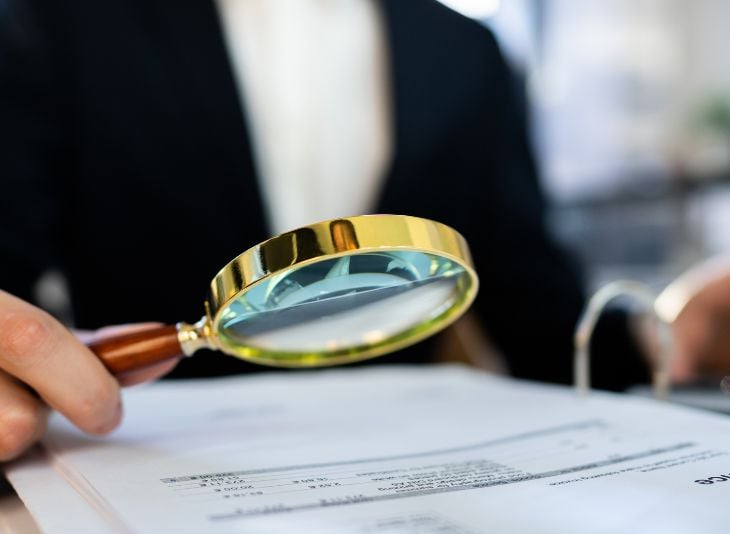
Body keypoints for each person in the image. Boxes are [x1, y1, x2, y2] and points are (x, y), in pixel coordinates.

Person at [0, 0, 728, 463]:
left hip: (415, 474)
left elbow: (532, 308)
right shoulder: (52, 20)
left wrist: (667, 336)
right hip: (141, 462)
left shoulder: (465, 50)